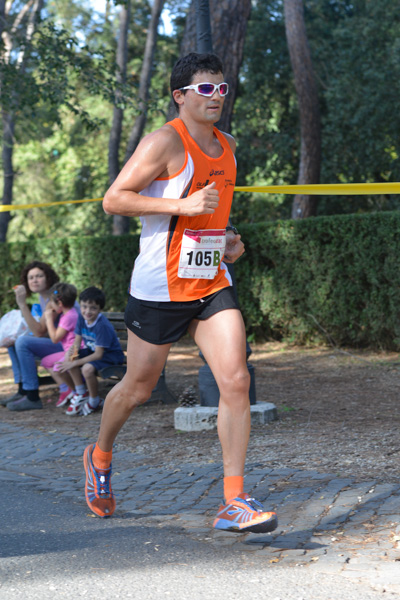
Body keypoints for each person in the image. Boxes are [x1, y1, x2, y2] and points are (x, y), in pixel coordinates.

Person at [83, 52, 278, 533]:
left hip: (210, 280)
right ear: (181, 96)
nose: (216, 98)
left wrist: (229, 239)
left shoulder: (227, 145)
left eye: (222, 88)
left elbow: (214, 214)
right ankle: (99, 456)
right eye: (205, 89)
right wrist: (182, 204)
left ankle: (234, 500)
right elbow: (114, 198)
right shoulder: (165, 141)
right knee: (137, 389)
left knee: (235, 380)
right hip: (160, 286)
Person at [1, 260, 70, 412]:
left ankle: (32, 396)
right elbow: (42, 330)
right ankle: (22, 390)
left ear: (48, 278)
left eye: (39, 276)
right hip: (56, 342)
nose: (34, 280)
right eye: (30, 277)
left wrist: (22, 304)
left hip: (69, 346)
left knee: (22, 341)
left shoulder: (54, 298)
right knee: (14, 342)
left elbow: (39, 331)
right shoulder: (43, 298)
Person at [57, 286, 125, 417]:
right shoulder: (81, 318)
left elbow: (99, 354)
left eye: (93, 308)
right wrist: (70, 354)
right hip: (93, 352)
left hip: (110, 356)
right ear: (80, 306)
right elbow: (77, 342)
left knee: (86, 369)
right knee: (71, 359)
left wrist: (75, 364)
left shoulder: (102, 325)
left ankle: (95, 401)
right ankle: (81, 393)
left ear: (100, 309)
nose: (87, 311)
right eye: (84, 306)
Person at [40, 282, 80, 407]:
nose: (50, 306)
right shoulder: (67, 314)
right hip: (68, 350)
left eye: (51, 302)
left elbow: (55, 339)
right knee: (46, 361)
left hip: (75, 350)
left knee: (59, 368)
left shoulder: (69, 317)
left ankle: (77, 392)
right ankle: (67, 389)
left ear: (60, 304)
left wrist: (48, 319)